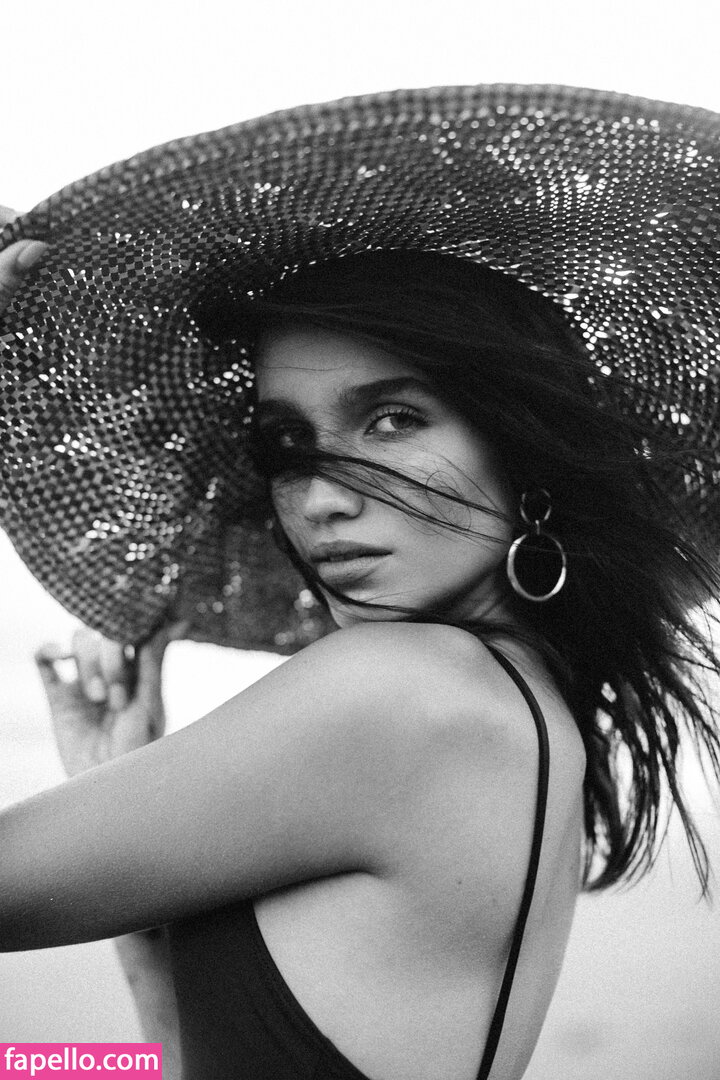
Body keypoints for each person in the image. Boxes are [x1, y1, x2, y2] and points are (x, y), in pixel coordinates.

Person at [0, 84, 719, 1080]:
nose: (322, 498)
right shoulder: (518, 712)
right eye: (287, 446)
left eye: (393, 419)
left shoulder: (406, 690)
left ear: (522, 447)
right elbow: (181, 1061)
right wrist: (125, 831)